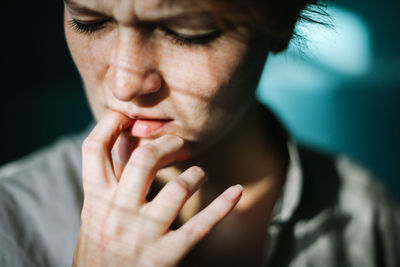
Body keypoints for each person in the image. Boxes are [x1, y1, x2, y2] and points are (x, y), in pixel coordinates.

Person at [1, 0, 399, 266]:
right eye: (89, 22)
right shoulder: (11, 220)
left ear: (282, 20)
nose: (124, 84)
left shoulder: (373, 225)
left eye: (187, 32)